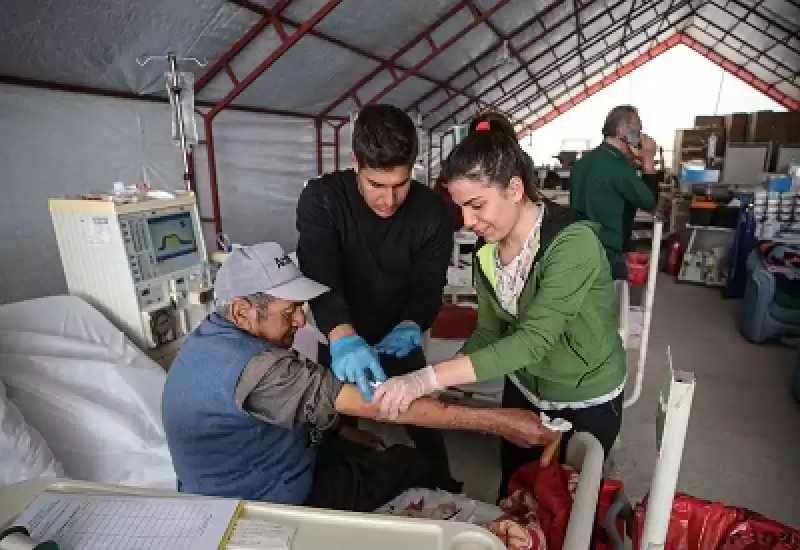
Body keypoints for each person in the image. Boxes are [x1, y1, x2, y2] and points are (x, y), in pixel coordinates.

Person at [162, 242, 560, 512]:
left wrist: (340, 433)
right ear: (243, 312)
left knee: (368, 448)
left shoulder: (210, 339)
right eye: (290, 312)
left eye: (302, 308)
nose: (301, 321)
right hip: (265, 503)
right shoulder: (260, 370)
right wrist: (499, 421)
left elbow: (278, 412)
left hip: (272, 463)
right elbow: (383, 408)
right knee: (408, 461)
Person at [370, 116, 627, 500]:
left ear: (514, 188)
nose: (469, 222)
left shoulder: (572, 245)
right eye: (462, 209)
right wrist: (444, 381)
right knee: (515, 493)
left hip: (583, 394)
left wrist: (428, 378)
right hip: (523, 389)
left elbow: (533, 340)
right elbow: (489, 333)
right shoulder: (487, 253)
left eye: (476, 206)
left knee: (570, 507)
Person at [295, 103, 459, 491]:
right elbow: (320, 275)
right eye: (376, 185)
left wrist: (411, 326)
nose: (389, 200)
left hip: (398, 333)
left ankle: (443, 485)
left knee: (422, 420)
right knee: (333, 425)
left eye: (400, 185)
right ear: (356, 162)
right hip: (339, 335)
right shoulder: (322, 199)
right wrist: (342, 336)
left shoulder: (432, 211)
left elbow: (428, 286)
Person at [569, 105, 660, 280]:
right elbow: (650, 202)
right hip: (609, 251)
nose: (641, 135)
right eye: (638, 129)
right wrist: (648, 160)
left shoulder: (583, 163)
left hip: (580, 245)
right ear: (622, 130)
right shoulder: (618, 167)